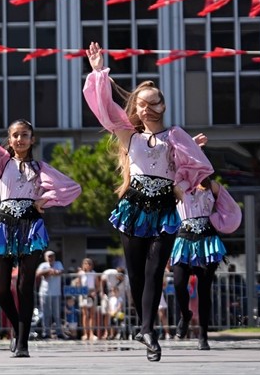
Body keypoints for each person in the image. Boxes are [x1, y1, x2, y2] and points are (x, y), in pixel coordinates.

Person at [83, 41, 212, 361]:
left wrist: (181, 184)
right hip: (135, 207)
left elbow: (198, 165)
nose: (146, 108)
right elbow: (105, 107)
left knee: (156, 272)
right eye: (141, 103)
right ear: (137, 108)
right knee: (137, 273)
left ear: (162, 106)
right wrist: (99, 72)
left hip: (165, 209)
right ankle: (145, 326)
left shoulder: (176, 135)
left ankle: (149, 330)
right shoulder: (129, 134)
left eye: (152, 102)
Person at [0, 71, 81, 355]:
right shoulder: (0, 162)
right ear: (8, 139)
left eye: (24, 135)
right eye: (15, 135)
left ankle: (22, 342)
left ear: (32, 139)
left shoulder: (40, 168)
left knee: (25, 284)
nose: (19, 139)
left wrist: (45, 200)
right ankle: (18, 328)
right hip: (5, 223)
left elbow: (72, 188)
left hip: (31, 225)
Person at [171, 174, 241, 350]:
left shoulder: (212, 186)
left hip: (207, 241)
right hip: (183, 239)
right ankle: (186, 315)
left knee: (204, 290)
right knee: (179, 284)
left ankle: (203, 335)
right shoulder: (178, 185)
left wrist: (219, 221)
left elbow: (230, 208)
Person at [36, 251, 66, 340]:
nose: (51, 258)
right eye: (49, 257)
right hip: (44, 292)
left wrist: (53, 272)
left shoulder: (58, 263)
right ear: (45, 257)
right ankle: (46, 333)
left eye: (52, 256)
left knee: (56, 314)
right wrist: (48, 271)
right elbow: (38, 273)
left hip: (56, 292)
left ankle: (59, 332)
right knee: (46, 314)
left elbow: (60, 271)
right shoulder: (43, 265)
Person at [76, 257, 100, 341]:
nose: (88, 265)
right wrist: (82, 292)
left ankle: (92, 333)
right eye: (86, 263)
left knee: (92, 315)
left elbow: (97, 286)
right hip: (84, 293)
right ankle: (85, 333)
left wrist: (94, 292)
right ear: (83, 265)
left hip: (92, 294)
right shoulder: (80, 273)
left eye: (89, 264)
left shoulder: (94, 273)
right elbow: (78, 284)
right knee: (85, 315)